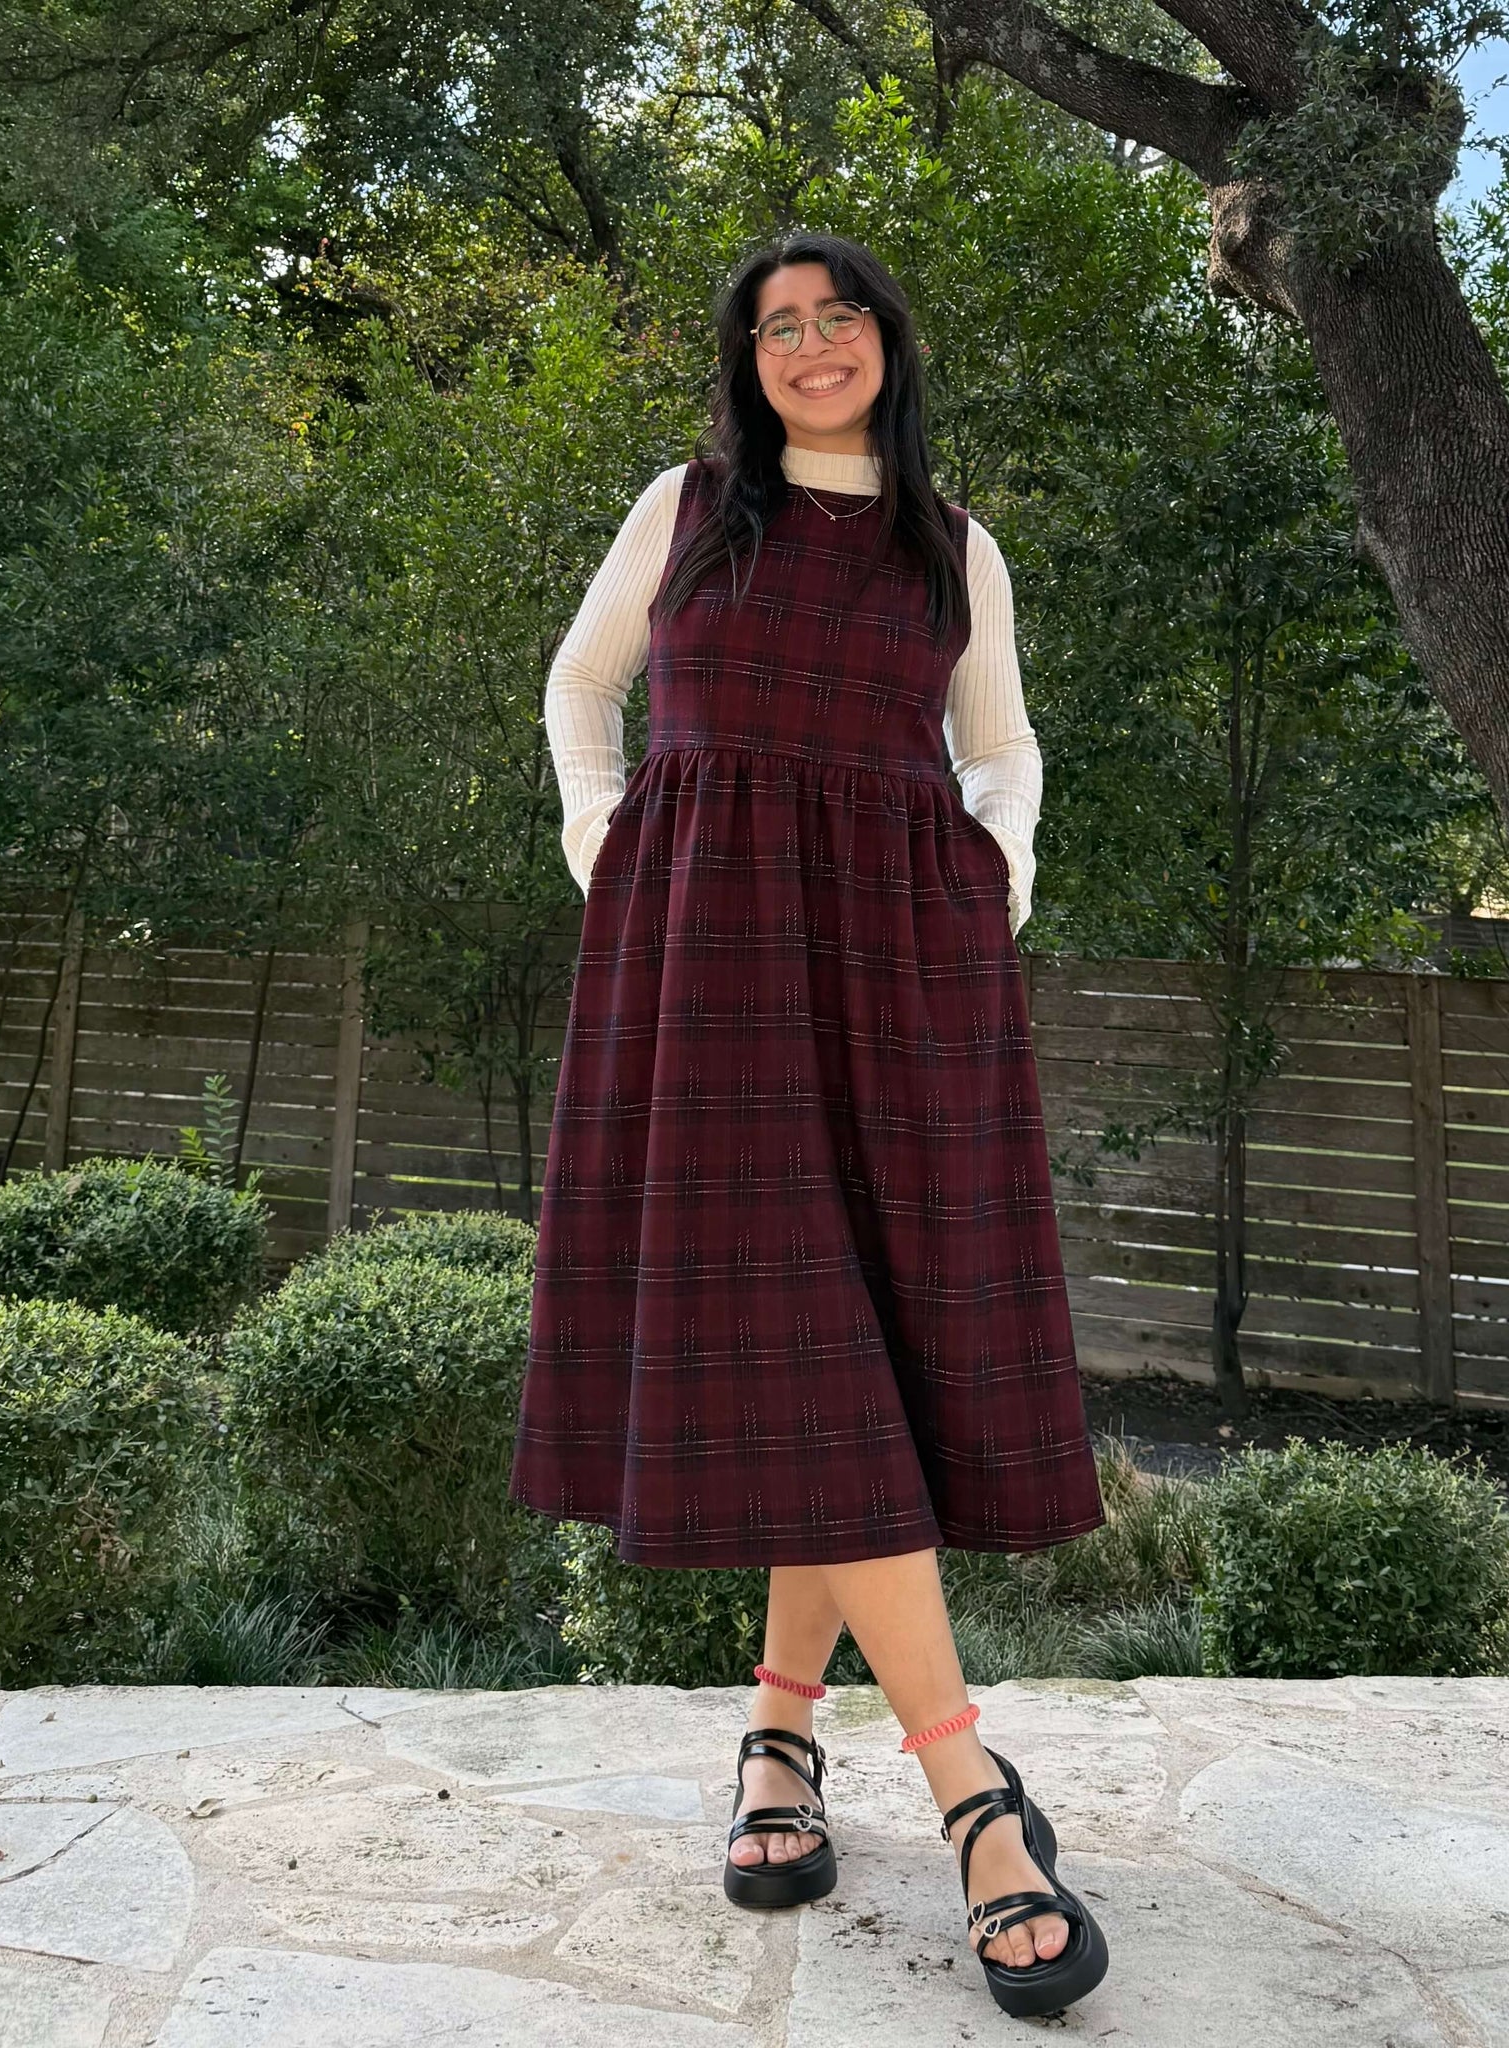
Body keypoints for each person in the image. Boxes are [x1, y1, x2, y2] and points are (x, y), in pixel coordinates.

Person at [509, 228, 1110, 2019]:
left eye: (840, 316)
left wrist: (989, 877)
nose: (812, 343)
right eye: (778, 325)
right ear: (747, 360)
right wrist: (608, 844)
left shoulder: (955, 551)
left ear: (887, 344)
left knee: (842, 1348)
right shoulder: (686, 511)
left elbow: (1003, 749)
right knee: (801, 1338)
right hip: (706, 965)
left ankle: (781, 1731)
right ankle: (972, 1793)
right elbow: (580, 688)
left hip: (900, 974)